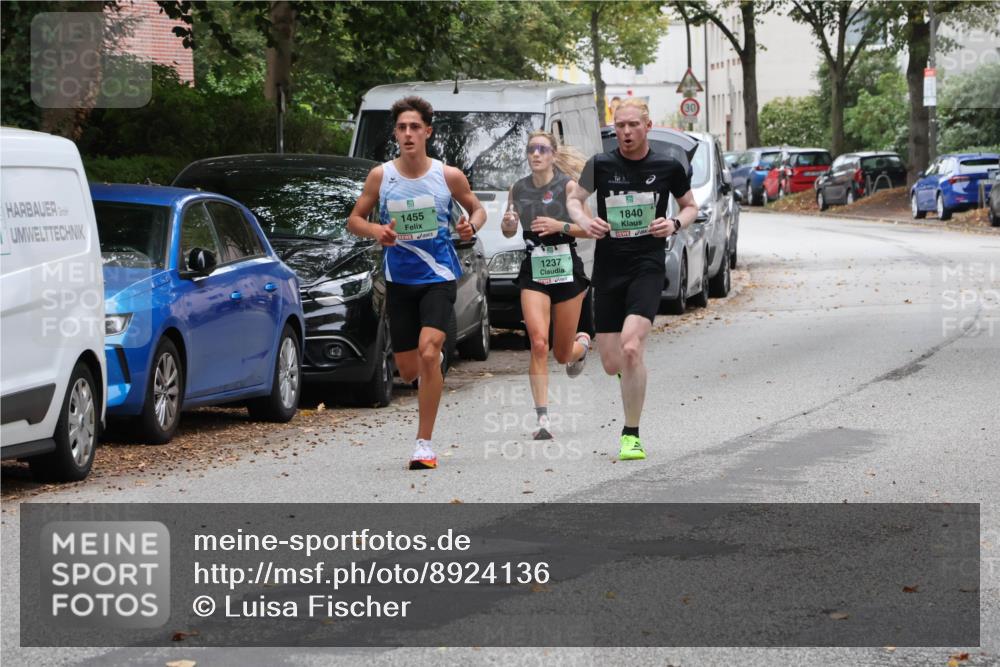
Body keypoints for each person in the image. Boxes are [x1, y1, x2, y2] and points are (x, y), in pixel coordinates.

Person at [348, 96, 486, 470]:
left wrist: (470, 225)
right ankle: (430, 362)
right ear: (396, 133)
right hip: (400, 280)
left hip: (439, 276)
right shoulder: (382, 176)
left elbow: (477, 208)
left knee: (428, 352)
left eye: (414, 127)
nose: (408, 134)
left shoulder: (447, 176)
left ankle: (423, 444)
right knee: (408, 370)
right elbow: (354, 219)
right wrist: (377, 229)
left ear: (427, 131)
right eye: (401, 128)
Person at [566, 98, 698, 461]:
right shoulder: (601, 164)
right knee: (612, 363)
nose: (625, 132)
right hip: (609, 267)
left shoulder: (668, 166)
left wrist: (673, 224)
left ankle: (631, 434)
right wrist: (585, 220)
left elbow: (690, 207)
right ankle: (627, 373)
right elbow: (575, 200)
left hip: (647, 265)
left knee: (631, 347)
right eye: (620, 126)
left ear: (647, 125)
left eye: (632, 125)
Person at [502, 131, 592, 440]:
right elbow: (507, 226)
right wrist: (509, 224)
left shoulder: (567, 187)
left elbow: (589, 228)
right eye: (531, 150)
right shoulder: (518, 188)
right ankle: (542, 420)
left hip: (566, 269)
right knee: (539, 342)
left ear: (553, 154)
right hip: (534, 270)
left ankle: (582, 347)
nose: (536, 154)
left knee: (562, 354)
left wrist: (560, 225)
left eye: (542, 149)